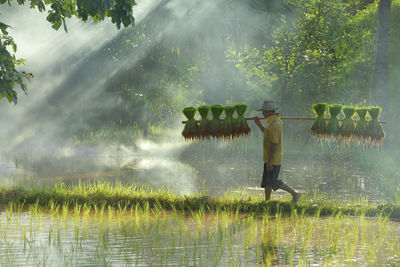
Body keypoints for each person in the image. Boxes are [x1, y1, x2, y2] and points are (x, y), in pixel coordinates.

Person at [254, 100, 301, 202]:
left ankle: (295, 194)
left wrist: (270, 162)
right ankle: (267, 201)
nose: (263, 113)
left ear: (270, 111)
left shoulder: (275, 124)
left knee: (273, 181)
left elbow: (274, 144)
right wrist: (258, 124)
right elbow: (267, 134)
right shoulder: (271, 122)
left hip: (273, 159)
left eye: (264, 111)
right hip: (269, 157)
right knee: (267, 182)